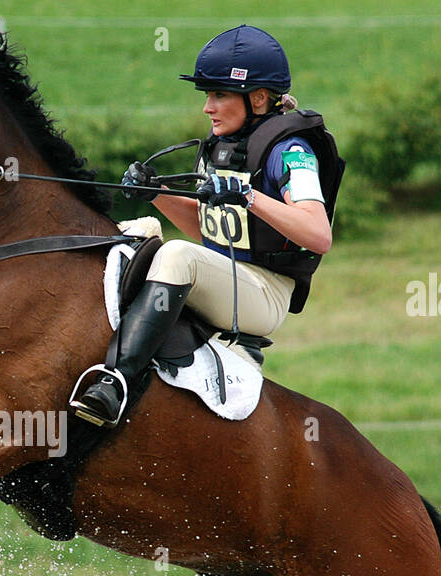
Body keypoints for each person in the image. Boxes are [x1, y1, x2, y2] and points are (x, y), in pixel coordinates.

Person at [70, 24, 343, 428]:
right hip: (230, 277)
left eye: (219, 95)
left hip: (266, 292)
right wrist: (157, 192)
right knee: (136, 236)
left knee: (176, 254)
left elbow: (319, 235)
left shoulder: (292, 152)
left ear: (259, 98)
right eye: (207, 96)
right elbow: (209, 232)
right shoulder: (220, 149)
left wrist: (248, 196)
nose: (207, 107)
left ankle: (116, 383)